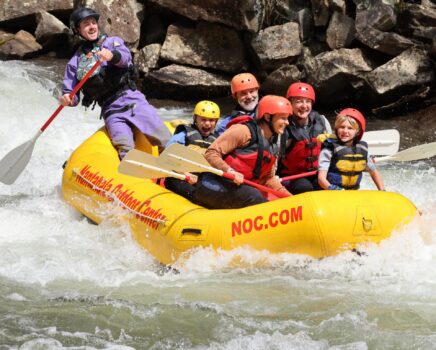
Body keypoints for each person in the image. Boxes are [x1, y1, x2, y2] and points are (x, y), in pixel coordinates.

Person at [60, 7, 170, 159]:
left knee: (162, 137)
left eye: (93, 22)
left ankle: (176, 162)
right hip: (110, 110)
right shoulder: (75, 62)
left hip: (131, 100)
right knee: (124, 148)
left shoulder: (112, 42)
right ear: (77, 30)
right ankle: (132, 174)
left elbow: (125, 59)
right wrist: (68, 98)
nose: (92, 26)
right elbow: (71, 93)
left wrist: (112, 56)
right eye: (86, 24)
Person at [192, 95, 292, 209]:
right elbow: (211, 153)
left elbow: (268, 179)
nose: (287, 122)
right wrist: (229, 171)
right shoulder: (243, 131)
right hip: (213, 184)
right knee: (255, 196)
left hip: (241, 188)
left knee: (276, 202)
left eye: (287, 118)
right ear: (268, 117)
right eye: (283, 118)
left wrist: (291, 198)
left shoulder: (273, 144)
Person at [278, 82, 332, 194]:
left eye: (307, 101)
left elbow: (331, 148)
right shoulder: (283, 126)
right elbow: (274, 157)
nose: (304, 106)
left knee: (332, 180)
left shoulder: (322, 121)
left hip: (318, 172)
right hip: (292, 177)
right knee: (304, 187)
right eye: (299, 101)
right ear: (290, 103)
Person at [164, 100, 220, 201]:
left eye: (211, 120)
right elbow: (167, 156)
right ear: (195, 118)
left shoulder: (217, 140)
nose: (207, 123)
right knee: (198, 196)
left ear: (216, 122)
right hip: (178, 177)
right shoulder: (183, 136)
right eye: (203, 119)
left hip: (201, 179)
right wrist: (186, 174)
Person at [318, 108, 385, 191]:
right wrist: (335, 189)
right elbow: (321, 179)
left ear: (357, 131)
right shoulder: (328, 150)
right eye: (342, 127)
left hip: (353, 193)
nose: (345, 131)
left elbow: (374, 172)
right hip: (331, 192)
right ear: (337, 129)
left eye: (350, 128)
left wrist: (382, 190)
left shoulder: (362, 150)